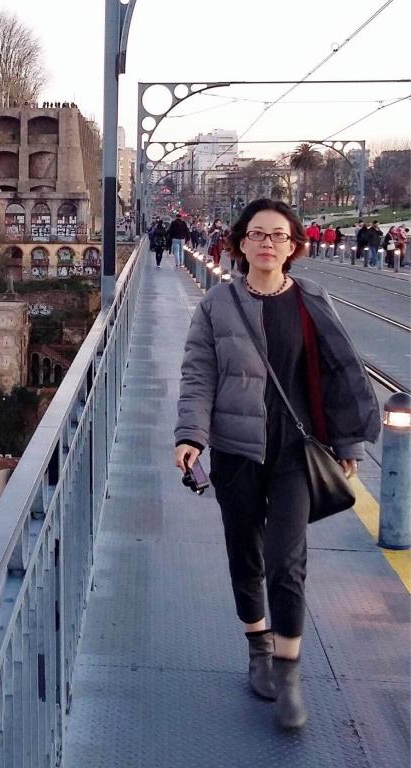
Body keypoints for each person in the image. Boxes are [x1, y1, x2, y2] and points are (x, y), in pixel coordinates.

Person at [174, 198, 380, 730]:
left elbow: (340, 372)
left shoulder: (311, 299)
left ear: (293, 246)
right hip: (236, 450)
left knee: (286, 560)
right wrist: (191, 435)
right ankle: (258, 648)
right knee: (245, 553)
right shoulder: (217, 305)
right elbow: (198, 374)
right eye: (258, 234)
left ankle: (289, 670)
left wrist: (349, 443)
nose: (268, 243)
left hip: (296, 451)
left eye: (279, 235)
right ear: (241, 243)